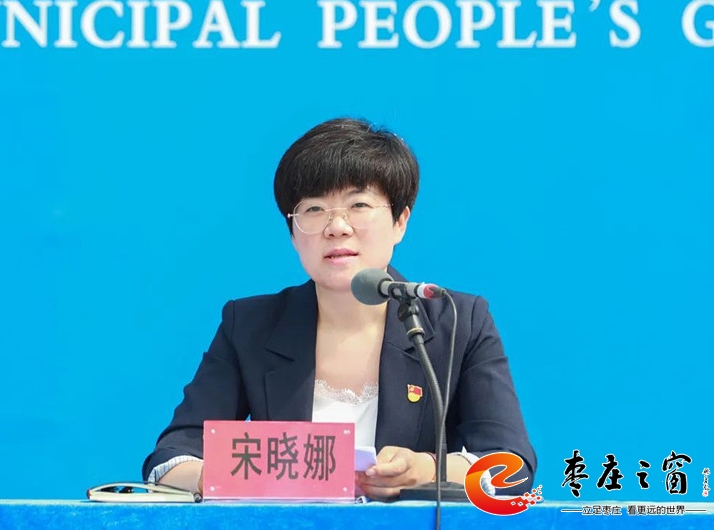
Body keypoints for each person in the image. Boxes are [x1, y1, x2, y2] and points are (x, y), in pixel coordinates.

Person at [142, 117, 537, 500]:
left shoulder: (458, 321)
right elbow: (171, 459)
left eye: (359, 205)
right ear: (293, 232)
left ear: (400, 222)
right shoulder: (249, 325)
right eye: (314, 210)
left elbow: (511, 466)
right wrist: (238, 476)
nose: (337, 227)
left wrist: (427, 470)